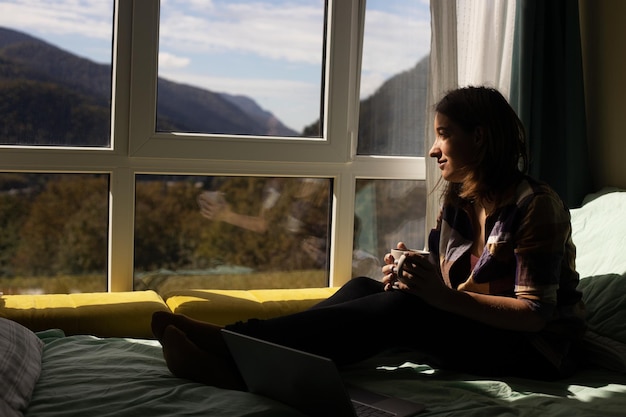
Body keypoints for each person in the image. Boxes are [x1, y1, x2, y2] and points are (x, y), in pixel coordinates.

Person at [152, 86, 586, 389]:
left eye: (443, 134)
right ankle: (246, 362)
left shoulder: (536, 205)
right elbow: (449, 278)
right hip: (477, 327)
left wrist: (435, 297)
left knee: (400, 311)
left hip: (536, 350)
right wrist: (412, 269)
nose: (434, 149)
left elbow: (534, 314)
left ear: (480, 137)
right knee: (365, 286)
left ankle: (231, 341)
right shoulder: (459, 199)